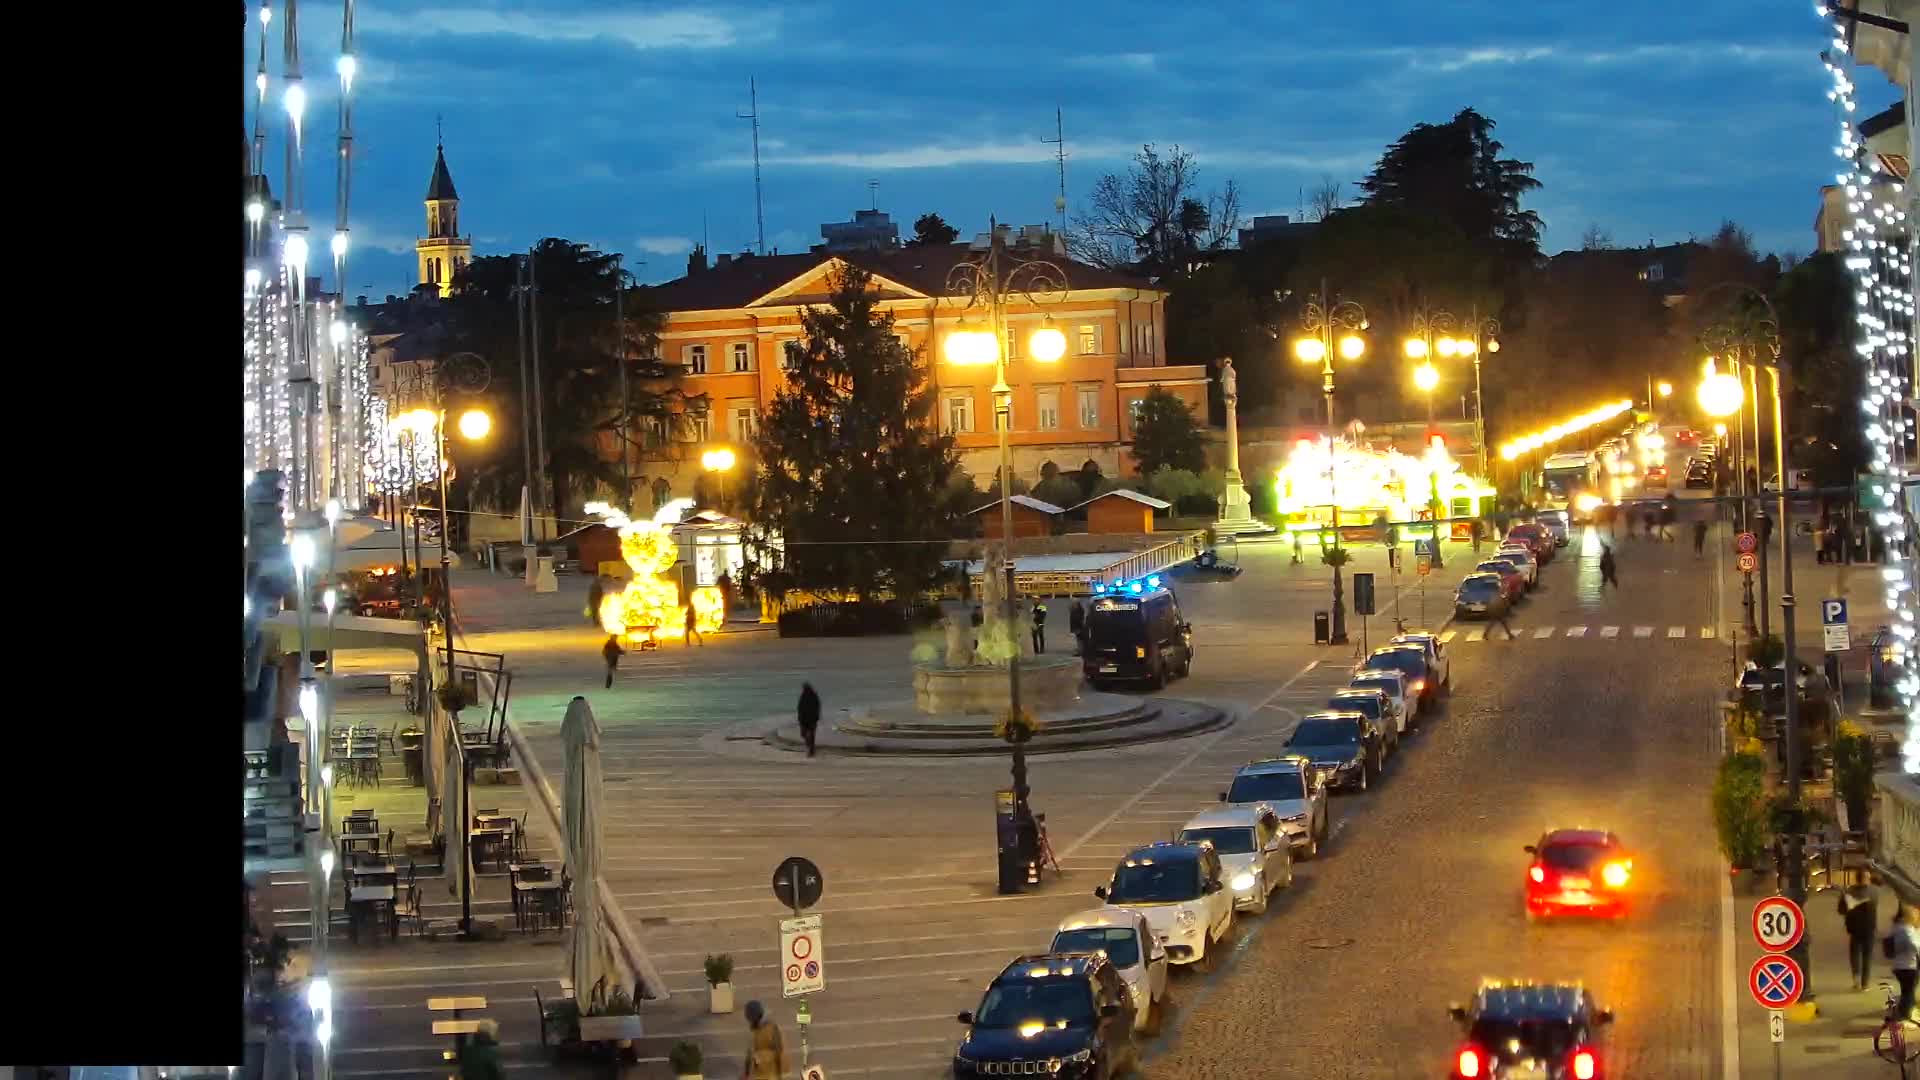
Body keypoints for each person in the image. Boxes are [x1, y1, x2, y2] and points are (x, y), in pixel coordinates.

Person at [1843, 881, 1880, 991]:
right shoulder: (1874, 891)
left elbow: (1843, 909)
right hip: (1868, 929)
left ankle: (1857, 980)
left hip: (1856, 929)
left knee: (1855, 954)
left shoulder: (1849, 891)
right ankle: (1864, 984)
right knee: (1867, 956)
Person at [741, 999, 789, 1080]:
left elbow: (780, 1052)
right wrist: (746, 1073)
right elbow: (750, 1053)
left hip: (771, 1073)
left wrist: (782, 1074)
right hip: (760, 1072)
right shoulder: (755, 1030)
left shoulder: (772, 1029)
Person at [1889, 906, 1920, 1017]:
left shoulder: (1898, 927)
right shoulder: (1906, 929)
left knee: (1906, 990)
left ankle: (1904, 1011)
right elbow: (1913, 944)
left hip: (1900, 965)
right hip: (1908, 966)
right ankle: (1905, 1013)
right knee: (1909, 991)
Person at [797, 682, 820, 758]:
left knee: (806, 734)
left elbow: (800, 708)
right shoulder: (813, 696)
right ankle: (811, 749)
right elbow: (818, 706)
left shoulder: (804, 696)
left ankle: (810, 749)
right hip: (810, 719)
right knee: (809, 735)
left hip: (806, 719)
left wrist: (800, 718)